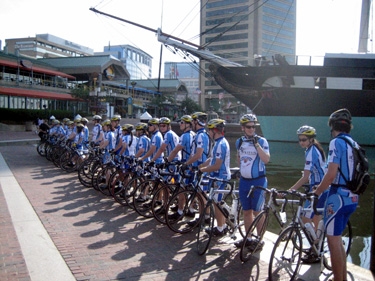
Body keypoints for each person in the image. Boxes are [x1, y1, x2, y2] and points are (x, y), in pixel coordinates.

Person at [313, 108, 359, 281]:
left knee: (333, 243)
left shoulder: (336, 142)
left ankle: (338, 280)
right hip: (352, 197)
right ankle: (341, 278)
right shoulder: (353, 143)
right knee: (337, 240)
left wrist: (317, 191)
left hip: (337, 198)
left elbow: (331, 174)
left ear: (332, 126)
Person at [234, 113, 270, 249]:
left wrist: (256, 146)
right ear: (243, 128)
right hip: (244, 181)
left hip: (258, 182)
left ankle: (260, 240)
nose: (251, 129)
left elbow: (266, 160)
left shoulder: (261, 141)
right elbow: (239, 158)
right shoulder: (240, 142)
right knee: (246, 211)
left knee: (258, 212)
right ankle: (248, 238)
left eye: (253, 127)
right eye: (248, 127)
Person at [199, 118, 231, 236]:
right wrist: (201, 165)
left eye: (209, 130)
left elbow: (217, 165)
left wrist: (202, 170)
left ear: (215, 130)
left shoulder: (220, 144)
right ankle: (222, 226)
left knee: (217, 204)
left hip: (220, 176)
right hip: (217, 176)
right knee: (216, 202)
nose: (208, 132)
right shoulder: (218, 142)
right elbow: (211, 159)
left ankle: (220, 228)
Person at [166, 115, 196, 220]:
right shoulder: (194, 134)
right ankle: (191, 210)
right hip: (193, 164)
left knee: (181, 189)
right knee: (192, 189)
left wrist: (167, 161)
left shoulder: (184, 136)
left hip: (186, 164)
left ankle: (180, 211)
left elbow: (175, 150)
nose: (180, 124)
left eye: (182, 123)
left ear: (188, 124)